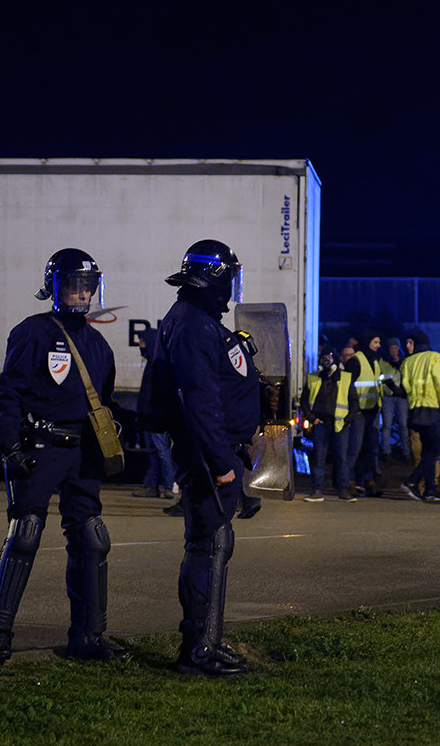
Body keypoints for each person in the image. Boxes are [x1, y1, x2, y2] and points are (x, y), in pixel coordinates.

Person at [0, 248, 118, 664]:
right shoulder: (32, 332)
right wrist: (10, 445)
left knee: (92, 541)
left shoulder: (99, 346)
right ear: (54, 288)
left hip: (83, 453)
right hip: (40, 447)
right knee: (24, 535)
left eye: (86, 286)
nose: (80, 293)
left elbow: (104, 405)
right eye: (72, 285)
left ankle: (89, 638)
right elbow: (6, 392)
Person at [150, 240, 261, 676]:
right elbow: (200, 401)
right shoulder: (193, 325)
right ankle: (197, 649)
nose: (232, 286)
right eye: (228, 277)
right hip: (205, 456)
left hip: (215, 452)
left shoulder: (201, 322)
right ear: (214, 278)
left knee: (215, 546)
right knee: (208, 546)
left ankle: (207, 641)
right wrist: (221, 464)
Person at [399, 330, 440, 501]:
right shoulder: (434, 358)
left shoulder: (407, 362)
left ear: (416, 343)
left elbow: (406, 387)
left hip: (416, 412)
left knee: (428, 451)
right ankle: (412, 481)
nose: (406, 346)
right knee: (438, 449)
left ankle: (430, 490)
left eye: (409, 342)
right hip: (432, 409)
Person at [132, 328, 176, 499]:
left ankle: (166, 485)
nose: (139, 344)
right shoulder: (154, 361)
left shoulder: (157, 363)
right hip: (149, 414)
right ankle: (154, 485)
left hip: (155, 415)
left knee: (160, 450)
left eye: (142, 341)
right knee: (155, 451)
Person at [300, 348, 349, 501]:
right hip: (320, 424)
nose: (327, 360)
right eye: (324, 357)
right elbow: (304, 401)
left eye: (329, 357)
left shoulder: (344, 378)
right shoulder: (314, 378)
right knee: (319, 458)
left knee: (341, 458)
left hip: (339, 424)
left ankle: (344, 490)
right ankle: (317, 490)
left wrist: (347, 419)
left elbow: (353, 401)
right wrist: (312, 418)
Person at [348, 333, 385, 497]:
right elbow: (348, 387)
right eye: (376, 342)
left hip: (372, 411)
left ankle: (368, 482)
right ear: (368, 342)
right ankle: (349, 483)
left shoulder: (374, 361)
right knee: (355, 449)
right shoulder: (356, 361)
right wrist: (354, 408)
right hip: (359, 412)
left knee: (371, 449)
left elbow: (377, 385)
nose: (378, 345)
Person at [377, 337, 408, 462]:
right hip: (388, 397)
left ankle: (406, 451)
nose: (394, 350)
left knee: (403, 425)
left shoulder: (404, 361)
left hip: (401, 397)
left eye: (396, 348)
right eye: (391, 348)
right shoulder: (382, 362)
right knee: (387, 425)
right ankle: (386, 451)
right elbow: (379, 378)